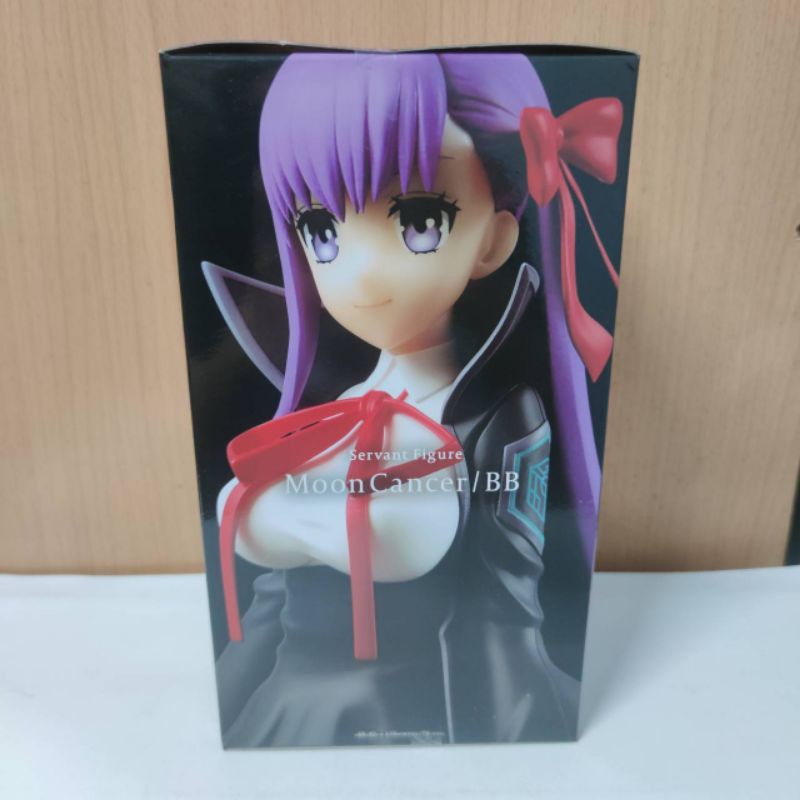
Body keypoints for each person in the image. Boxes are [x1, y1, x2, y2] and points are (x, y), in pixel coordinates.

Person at [202, 51, 622, 746]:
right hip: (291, 710)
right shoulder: (323, 409)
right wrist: (232, 703)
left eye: (419, 220)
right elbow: (269, 607)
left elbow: (502, 610)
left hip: (420, 717)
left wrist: (506, 746)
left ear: (493, 240)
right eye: (322, 232)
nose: (362, 276)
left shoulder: (500, 419)